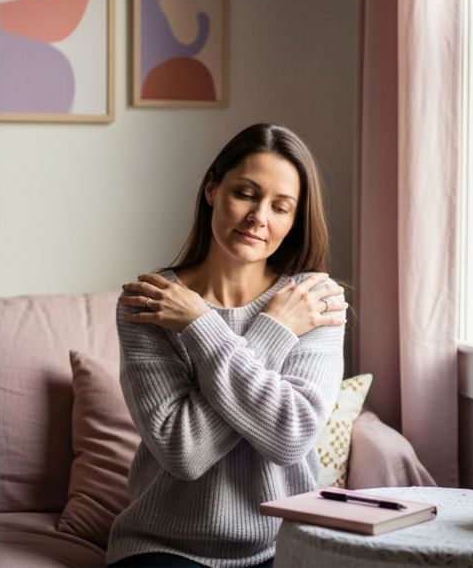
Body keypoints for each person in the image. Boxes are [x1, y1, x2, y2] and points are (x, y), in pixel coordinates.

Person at [107, 123, 347, 567]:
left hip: (284, 545)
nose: (260, 217)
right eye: (246, 193)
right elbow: (185, 451)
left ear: (294, 220)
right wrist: (244, 328)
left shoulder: (314, 301)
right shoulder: (150, 303)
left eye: (281, 207)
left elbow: (290, 437)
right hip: (165, 546)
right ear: (212, 189)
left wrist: (203, 326)